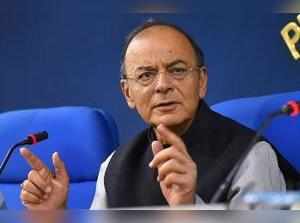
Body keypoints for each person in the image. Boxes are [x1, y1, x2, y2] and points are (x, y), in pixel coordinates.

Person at [19, 20, 286, 210]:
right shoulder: (114, 166)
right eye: (146, 75)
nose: (162, 85)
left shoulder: (251, 156)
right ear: (128, 93)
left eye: (178, 70)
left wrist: (189, 207)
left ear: (201, 81)